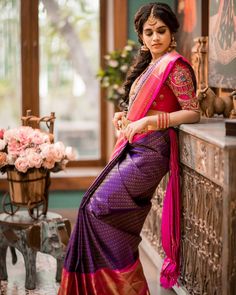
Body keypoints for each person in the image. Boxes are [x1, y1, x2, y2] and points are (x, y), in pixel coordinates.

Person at [58, 2, 200, 294]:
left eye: (161, 31)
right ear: (142, 36)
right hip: (133, 148)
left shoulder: (176, 67)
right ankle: (111, 285)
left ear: (172, 32)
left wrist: (150, 121)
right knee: (92, 208)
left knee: (97, 208)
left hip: (152, 153)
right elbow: (135, 108)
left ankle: (122, 286)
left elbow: (193, 112)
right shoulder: (148, 67)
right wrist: (124, 117)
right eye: (149, 32)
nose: (155, 37)